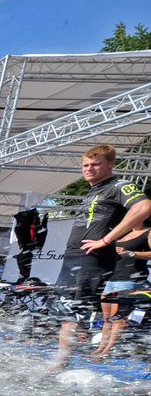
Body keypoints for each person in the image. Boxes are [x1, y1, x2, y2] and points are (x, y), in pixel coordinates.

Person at [54, 145, 151, 366]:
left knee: (73, 307)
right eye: (85, 165)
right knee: (64, 307)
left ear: (110, 164)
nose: (89, 169)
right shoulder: (93, 190)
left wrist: (106, 240)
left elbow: (144, 207)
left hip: (93, 257)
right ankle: (65, 357)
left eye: (95, 164)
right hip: (74, 255)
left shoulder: (119, 185)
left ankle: (62, 362)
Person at [90, 216, 151, 359]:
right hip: (111, 278)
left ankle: (107, 351)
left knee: (118, 318)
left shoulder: (148, 232)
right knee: (107, 318)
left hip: (130, 279)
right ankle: (101, 348)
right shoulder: (122, 232)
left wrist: (131, 253)